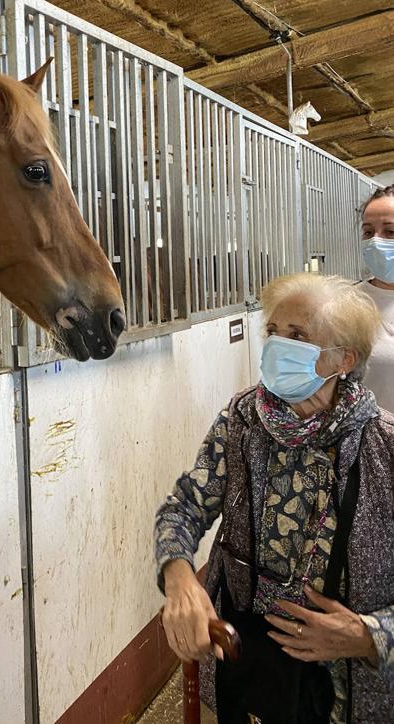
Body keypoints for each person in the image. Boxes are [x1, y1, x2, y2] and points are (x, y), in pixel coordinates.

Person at [155, 273, 394, 723]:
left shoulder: (384, 446)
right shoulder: (241, 422)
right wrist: (179, 577)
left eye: (297, 335)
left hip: (351, 691)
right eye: (273, 332)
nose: (276, 346)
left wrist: (368, 635)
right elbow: (184, 506)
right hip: (247, 667)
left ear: (343, 359)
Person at [360, 185, 394, 412]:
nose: (375, 241)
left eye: (390, 232)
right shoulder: (346, 304)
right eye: (368, 232)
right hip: (371, 441)